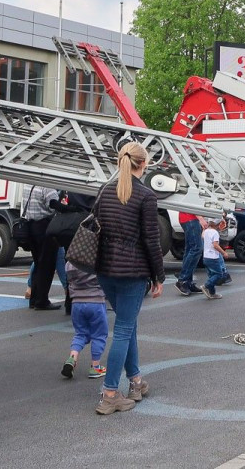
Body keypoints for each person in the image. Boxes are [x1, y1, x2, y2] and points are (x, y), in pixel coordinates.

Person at [93, 141, 165, 415]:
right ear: (144, 164)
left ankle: (135, 381)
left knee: (127, 323)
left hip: (105, 269)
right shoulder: (146, 196)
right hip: (133, 271)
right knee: (123, 329)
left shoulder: (105, 191)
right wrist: (159, 275)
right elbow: (151, 240)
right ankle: (110, 393)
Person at [61, 259, 108, 380]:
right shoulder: (95, 260)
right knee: (99, 335)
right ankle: (95, 366)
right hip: (96, 302)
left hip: (77, 304)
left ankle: (72, 358)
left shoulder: (70, 264)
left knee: (80, 334)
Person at [23, 185, 63, 310]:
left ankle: (34, 299)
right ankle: (42, 301)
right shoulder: (48, 187)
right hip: (44, 227)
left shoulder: (28, 184)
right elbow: (53, 207)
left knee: (38, 263)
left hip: (30, 227)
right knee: (47, 265)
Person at [175, 212, 205, 296]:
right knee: (196, 248)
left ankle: (187, 282)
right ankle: (183, 280)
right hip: (191, 218)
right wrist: (200, 217)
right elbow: (194, 200)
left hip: (187, 218)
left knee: (190, 249)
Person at [201, 217, 228, 300]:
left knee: (212, 275)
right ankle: (206, 286)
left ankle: (212, 293)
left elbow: (202, 237)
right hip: (213, 257)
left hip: (206, 257)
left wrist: (203, 229)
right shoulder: (215, 233)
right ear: (218, 224)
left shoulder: (206, 231)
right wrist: (223, 253)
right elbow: (215, 245)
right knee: (219, 274)